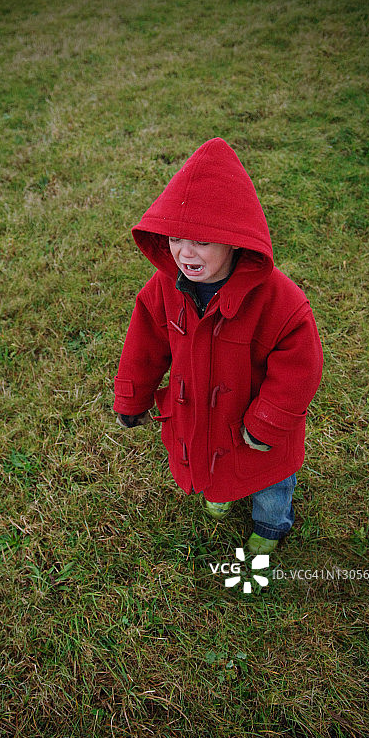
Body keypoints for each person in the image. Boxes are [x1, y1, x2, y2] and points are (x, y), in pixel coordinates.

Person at [113, 138, 323, 554]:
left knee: (269, 484)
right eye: (175, 238)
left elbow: (300, 368)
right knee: (216, 463)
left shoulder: (280, 301)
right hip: (200, 420)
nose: (185, 253)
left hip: (254, 426)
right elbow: (144, 345)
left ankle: (272, 526)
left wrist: (268, 423)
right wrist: (132, 398)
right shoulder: (164, 287)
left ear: (234, 239)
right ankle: (218, 487)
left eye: (202, 241)